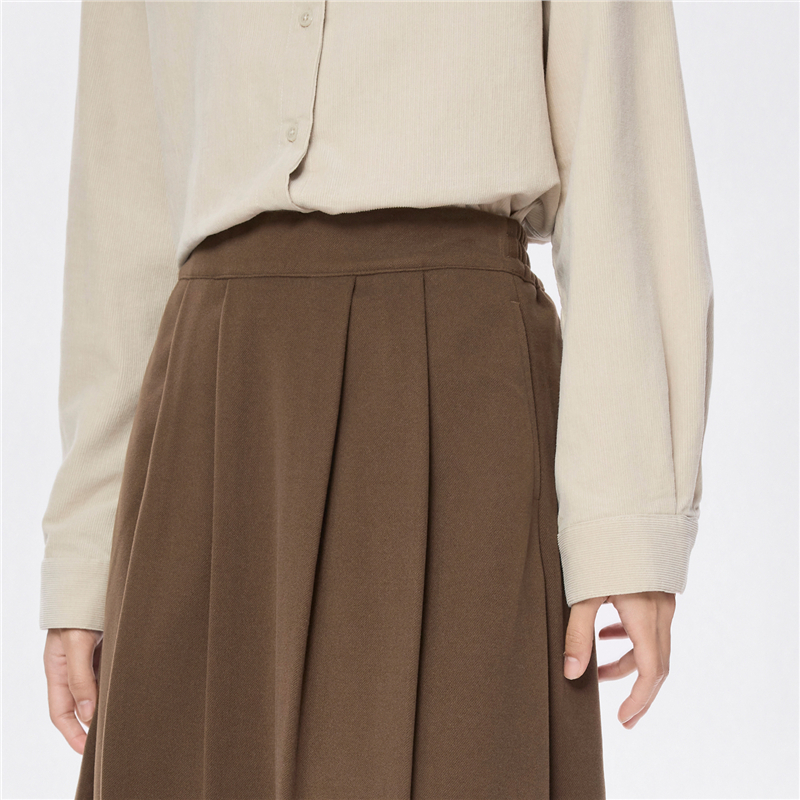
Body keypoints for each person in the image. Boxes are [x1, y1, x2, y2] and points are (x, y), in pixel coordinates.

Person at [39, 1, 714, 798]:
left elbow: (617, 119)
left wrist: (630, 516)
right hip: (217, 404)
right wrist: (86, 549)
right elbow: (122, 180)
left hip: (457, 385)